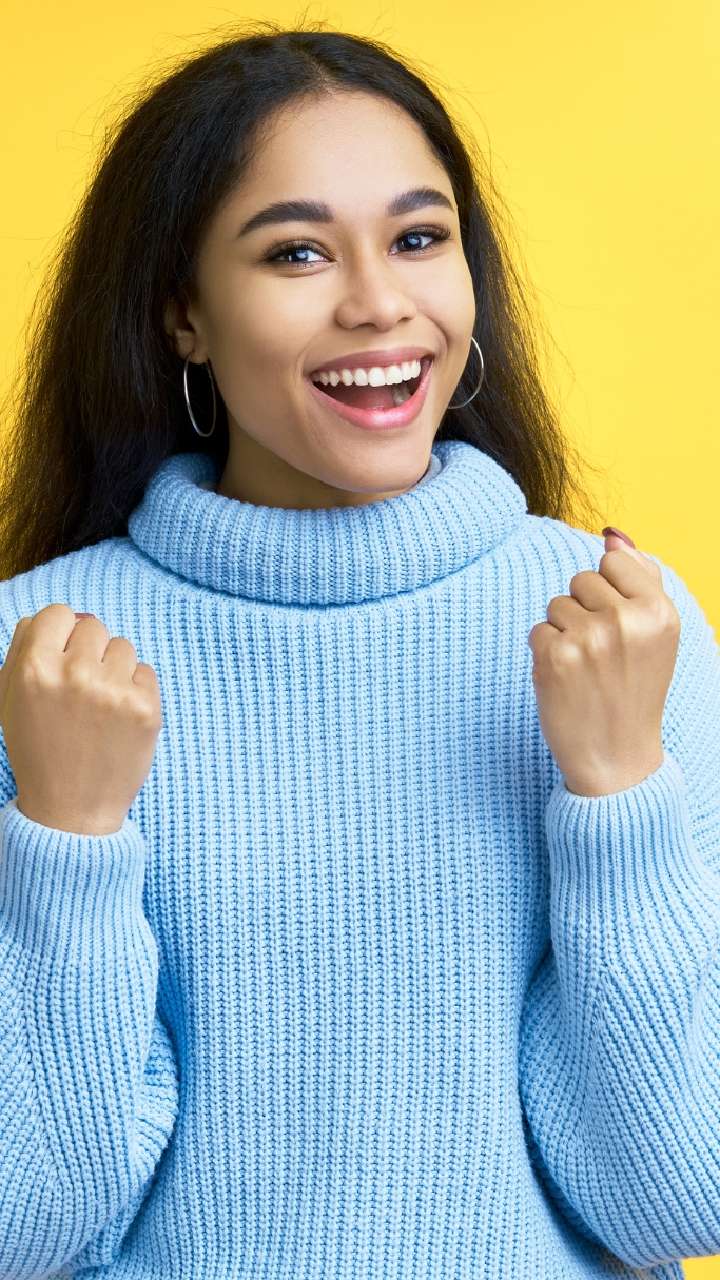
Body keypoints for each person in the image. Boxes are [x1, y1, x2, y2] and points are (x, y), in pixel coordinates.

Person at [0, 22, 718, 1280]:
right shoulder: (37, 661)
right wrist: (66, 842)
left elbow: (681, 1196)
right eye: (296, 251)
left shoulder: (621, 630)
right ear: (183, 313)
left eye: (419, 237)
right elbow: (25, 1224)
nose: (380, 302)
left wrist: (617, 794)